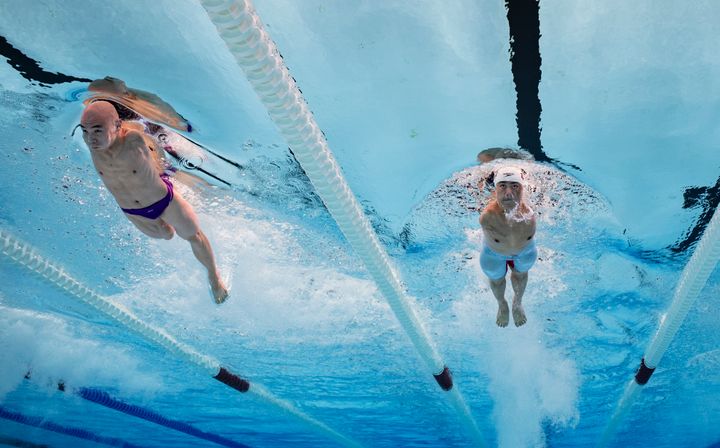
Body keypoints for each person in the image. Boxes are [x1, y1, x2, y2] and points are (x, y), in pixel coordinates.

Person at [79, 101, 229, 304]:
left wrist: (165, 165)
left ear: (117, 126)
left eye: (97, 130)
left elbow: (149, 125)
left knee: (193, 235)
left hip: (164, 200)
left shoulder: (132, 138)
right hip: (134, 212)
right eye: (85, 132)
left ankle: (214, 279)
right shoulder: (94, 146)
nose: (90, 138)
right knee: (166, 235)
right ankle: (166, 227)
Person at [479, 166, 536, 327]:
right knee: (496, 280)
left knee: (521, 273)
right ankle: (501, 304)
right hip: (493, 254)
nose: (509, 193)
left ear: (523, 189)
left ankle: (517, 302)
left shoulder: (532, 211)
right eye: (502, 186)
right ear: (495, 190)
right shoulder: (486, 216)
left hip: (524, 252)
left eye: (515, 186)